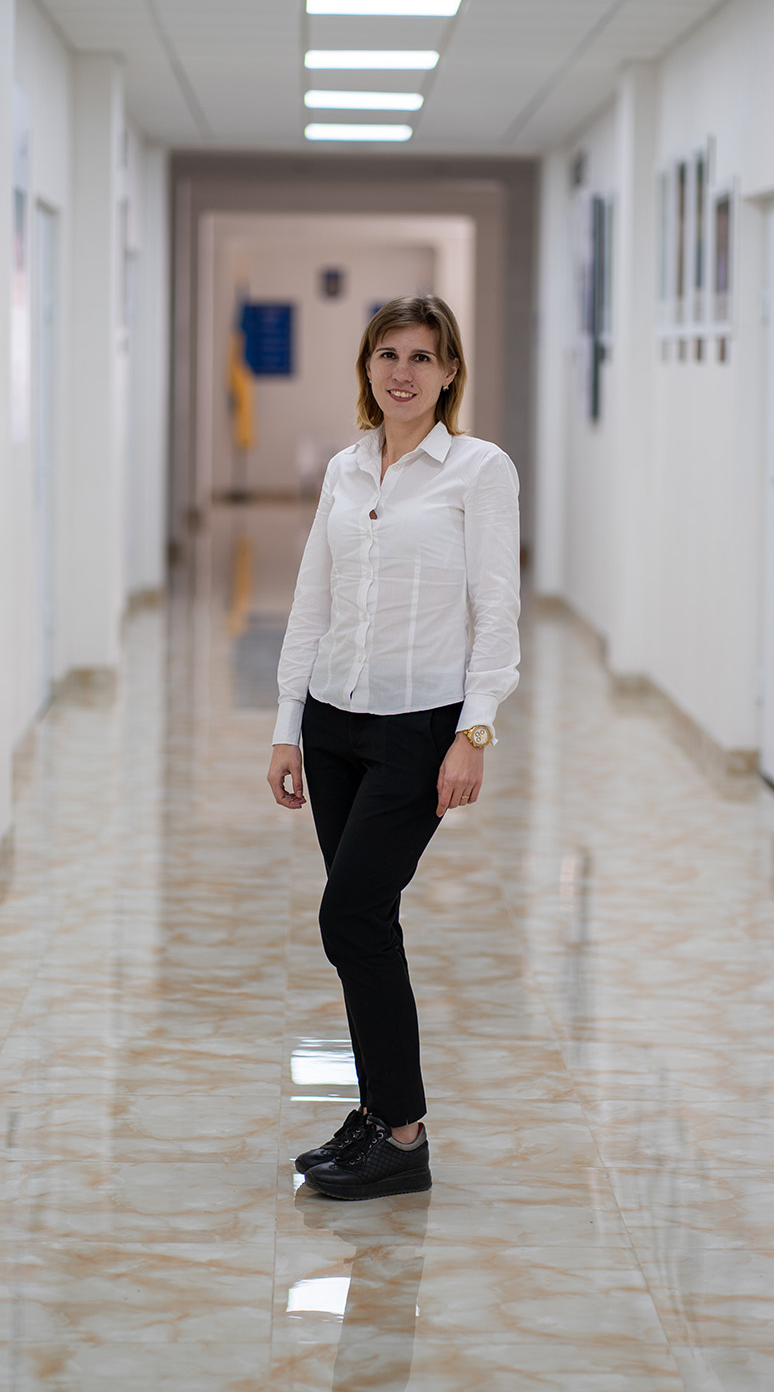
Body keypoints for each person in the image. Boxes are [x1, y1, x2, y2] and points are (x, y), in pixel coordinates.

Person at [267, 295, 520, 1201]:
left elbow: (497, 609)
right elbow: (312, 600)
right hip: (333, 723)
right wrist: (288, 726)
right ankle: (380, 1116)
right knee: (366, 924)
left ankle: (403, 1130)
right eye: (387, 354)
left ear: (450, 372)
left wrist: (474, 733)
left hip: (420, 728)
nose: (402, 372)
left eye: (421, 356)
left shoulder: (479, 470)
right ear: (367, 367)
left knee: (350, 915)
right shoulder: (346, 468)